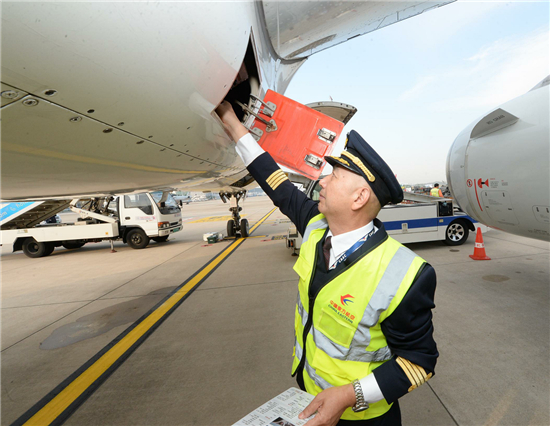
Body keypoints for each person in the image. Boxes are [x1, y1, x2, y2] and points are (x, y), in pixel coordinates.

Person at [216, 101, 438, 426]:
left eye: (334, 176)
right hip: (308, 397)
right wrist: (234, 126)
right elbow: (277, 185)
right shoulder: (317, 227)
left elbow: (419, 363)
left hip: (363, 418)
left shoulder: (404, 274)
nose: (322, 181)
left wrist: (350, 395)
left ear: (359, 198)